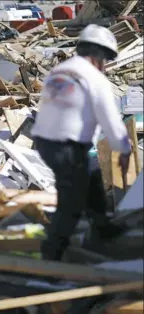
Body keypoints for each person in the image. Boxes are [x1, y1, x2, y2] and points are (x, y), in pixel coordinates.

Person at [31, 24, 132, 261]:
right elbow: (110, 120)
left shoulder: (60, 71)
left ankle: (101, 225)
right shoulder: (94, 78)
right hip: (66, 147)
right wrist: (124, 150)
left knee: (92, 176)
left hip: (45, 142)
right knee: (72, 200)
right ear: (100, 57)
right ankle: (51, 256)